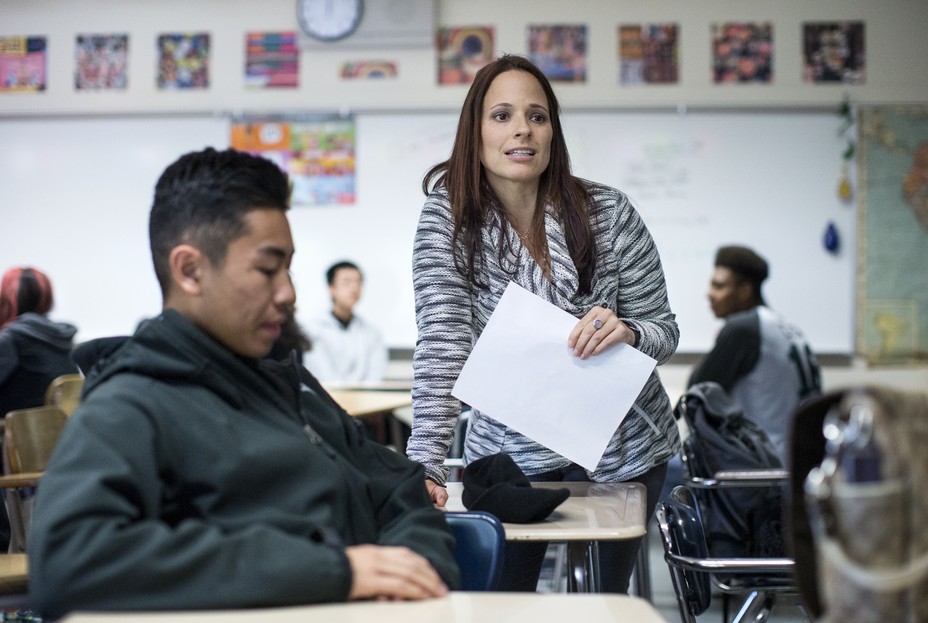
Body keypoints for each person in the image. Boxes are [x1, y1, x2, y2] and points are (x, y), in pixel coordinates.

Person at [27, 148, 458, 620]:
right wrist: (335, 571)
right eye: (267, 268)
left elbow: (400, 489)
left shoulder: (286, 382)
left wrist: (415, 571)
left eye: (288, 268)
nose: (288, 292)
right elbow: (69, 562)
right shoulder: (133, 403)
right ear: (190, 270)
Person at [406, 54, 680, 593]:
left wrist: (628, 332)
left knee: (598, 600)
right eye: (502, 115)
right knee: (502, 600)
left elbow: (663, 329)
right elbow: (443, 343)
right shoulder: (449, 219)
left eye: (537, 115)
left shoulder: (608, 211)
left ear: (553, 129)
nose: (522, 130)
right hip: (512, 455)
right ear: (475, 130)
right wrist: (427, 464)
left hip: (623, 449)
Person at [688, 245, 822, 461]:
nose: (709, 294)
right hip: (801, 458)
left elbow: (696, 395)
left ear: (744, 291)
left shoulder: (743, 329)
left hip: (763, 467)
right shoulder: (786, 328)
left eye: (719, 286)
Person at [0, 266, 79, 416]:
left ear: (6, 298)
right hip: (61, 434)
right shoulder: (65, 339)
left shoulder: (10, 339)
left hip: (16, 434)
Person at [303, 261, 387, 383]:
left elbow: (375, 377)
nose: (354, 287)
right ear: (331, 288)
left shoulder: (372, 333)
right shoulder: (312, 329)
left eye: (358, 282)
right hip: (325, 398)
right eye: (346, 282)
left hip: (366, 399)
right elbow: (323, 375)